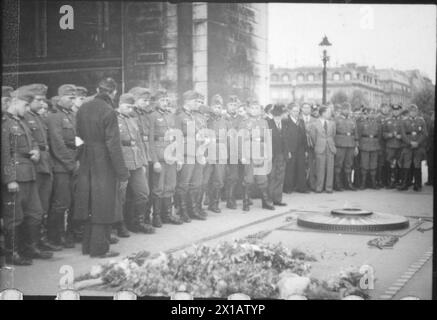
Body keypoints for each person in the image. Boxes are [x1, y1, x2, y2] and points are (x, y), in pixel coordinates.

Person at [73, 78, 129, 258]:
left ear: (97, 90)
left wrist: (80, 156)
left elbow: (77, 137)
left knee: (89, 203)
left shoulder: (83, 108)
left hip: (86, 159)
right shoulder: (108, 111)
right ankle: (99, 248)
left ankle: (87, 246)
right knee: (103, 204)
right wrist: (122, 172)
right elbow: (113, 145)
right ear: (113, 93)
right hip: (103, 162)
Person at [2, 87, 51, 265]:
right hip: (16, 175)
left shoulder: (22, 121)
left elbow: (35, 141)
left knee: (35, 213)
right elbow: (4, 153)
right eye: (24, 104)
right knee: (14, 216)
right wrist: (9, 179)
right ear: (14, 102)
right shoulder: (5, 123)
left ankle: (30, 246)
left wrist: (37, 152)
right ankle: (12, 252)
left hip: (30, 172)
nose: (26, 107)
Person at [22, 84, 62, 252]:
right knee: (33, 207)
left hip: (46, 163)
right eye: (37, 100)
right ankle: (30, 243)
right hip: (34, 166)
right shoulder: (24, 117)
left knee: (43, 205)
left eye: (42, 100)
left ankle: (39, 239)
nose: (41, 103)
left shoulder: (39, 117)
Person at [115, 93, 154, 235]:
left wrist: (143, 162)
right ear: (119, 104)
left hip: (136, 160)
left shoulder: (133, 119)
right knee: (121, 195)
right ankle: (120, 225)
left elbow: (139, 142)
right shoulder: (114, 118)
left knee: (143, 192)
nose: (130, 109)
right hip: (123, 160)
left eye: (132, 106)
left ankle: (138, 222)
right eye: (127, 106)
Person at [46, 84, 78, 249]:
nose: (73, 101)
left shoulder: (72, 115)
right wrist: (71, 164)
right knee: (61, 202)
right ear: (61, 98)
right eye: (70, 98)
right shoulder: (54, 116)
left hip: (74, 162)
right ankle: (54, 236)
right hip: (61, 166)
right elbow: (57, 144)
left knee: (73, 201)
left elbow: (79, 139)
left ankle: (69, 233)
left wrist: (78, 159)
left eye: (74, 98)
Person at [149, 89, 183, 226]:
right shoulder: (152, 116)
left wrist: (179, 157)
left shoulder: (171, 116)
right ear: (156, 102)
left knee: (170, 186)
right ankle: (156, 216)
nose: (165, 102)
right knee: (158, 187)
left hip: (172, 155)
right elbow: (150, 140)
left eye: (166, 100)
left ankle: (167, 214)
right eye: (162, 100)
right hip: (160, 155)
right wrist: (155, 161)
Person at [174, 90, 207, 221]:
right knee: (184, 183)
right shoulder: (179, 116)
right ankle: (182, 211)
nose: (197, 104)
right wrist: (179, 156)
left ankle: (193, 209)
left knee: (196, 183)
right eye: (195, 101)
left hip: (198, 153)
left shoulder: (195, 115)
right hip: (187, 154)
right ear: (188, 101)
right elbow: (177, 137)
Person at [238, 98, 274, 211]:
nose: (254, 110)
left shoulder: (264, 122)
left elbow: (268, 139)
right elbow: (240, 140)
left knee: (262, 179)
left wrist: (269, 155)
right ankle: (245, 201)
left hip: (261, 154)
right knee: (248, 179)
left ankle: (266, 202)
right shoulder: (244, 123)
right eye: (252, 108)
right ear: (248, 110)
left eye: (257, 108)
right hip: (249, 154)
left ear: (260, 110)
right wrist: (242, 156)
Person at [128, 87, 154, 227]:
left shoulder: (146, 114)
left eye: (148, 100)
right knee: (133, 191)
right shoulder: (130, 114)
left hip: (146, 152)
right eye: (144, 100)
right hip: (135, 154)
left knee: (146, 189)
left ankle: (143, 218)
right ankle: (132, 221)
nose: (146, 103)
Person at [202, 94, 228, 213]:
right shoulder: (206, 119)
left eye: (219, 107)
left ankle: (214, 204)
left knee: (219, 180)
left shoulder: (225, 121)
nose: (217, 109)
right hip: (208, 152)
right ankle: (200, 204)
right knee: (205, 179)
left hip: (221, 153)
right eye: (215, 106)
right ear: (211, 107)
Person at [398, 104, 428, 191]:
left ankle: (418, 184)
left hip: (418, 146)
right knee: (406, 164)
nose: (413, 113)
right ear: (409, 112)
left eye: (414, 111)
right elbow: (403, 134)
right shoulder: (404, 121)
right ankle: (405, 183)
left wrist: (417, 143)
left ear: (417, 112)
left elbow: (424, 134)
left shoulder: (421, 121)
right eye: (411, 111)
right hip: (408, 146)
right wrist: (410, 142)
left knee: (417, 164)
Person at [309, 106, 336, 193]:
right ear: (323, 113)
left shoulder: (332, 123)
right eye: (328, 112)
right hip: (320, 147)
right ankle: (319, 187)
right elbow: (313, 137)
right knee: (320, 168)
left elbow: (333, 135)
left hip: (330, 147)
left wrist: (330, 143)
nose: (330, 114)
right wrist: (319, 144)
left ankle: (329, 187)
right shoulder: (314, 124)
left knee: (330, 168)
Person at [283, 103, 309, 193]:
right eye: (294, 111)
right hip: (291, 149)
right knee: (290, 168)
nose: (296, 113)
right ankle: (288, 188)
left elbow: (304, 135)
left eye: (298, 111)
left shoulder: (301, 121)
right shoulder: (285, 121)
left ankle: (302, 187)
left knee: (301, 168)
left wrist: (306, 149)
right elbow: (284, 137)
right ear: (289, 111)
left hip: (301, 148)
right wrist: (287, 150)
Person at [224, 95, 244, 209]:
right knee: (223, 177)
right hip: (224, 151)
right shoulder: (222, 118)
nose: (233, 107)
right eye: (231, 105)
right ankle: (226, 199)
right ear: (226, 106)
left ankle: (232, 198)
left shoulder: (241, 118)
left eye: (235, 105)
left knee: (235, 176)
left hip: (236, 151)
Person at [333, 102, 358, 191]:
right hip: (340, 144)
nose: (347, 111)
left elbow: (356, 134)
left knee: (349, 164)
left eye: (348, 109)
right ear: (341, 110)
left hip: (350, 144)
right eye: (345, 109)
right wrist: (334, 145)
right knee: (338, 164)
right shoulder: (336, 119)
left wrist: (356, 146)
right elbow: (333, 133)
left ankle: (348, 183)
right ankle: (337, 184)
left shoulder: (352, 120)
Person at [267, 104, 287, 206]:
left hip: (281, 155)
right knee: (272, 176)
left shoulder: (284, 124)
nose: (278, 117)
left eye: (280, 115)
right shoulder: (268, 124)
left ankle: (277, 199)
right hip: (271, 155)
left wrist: (287, 153)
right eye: (276, 115)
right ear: (273, 115)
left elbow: (287, 140)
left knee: (280, 177)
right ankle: (269, 199)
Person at [357, 106, 382, 189]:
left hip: (374, 145)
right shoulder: (362, 123)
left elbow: (379, 136)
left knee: (373, 164)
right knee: (364, 164)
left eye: (374, 113)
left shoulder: (378, 124)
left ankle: (373, 183)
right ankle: (363, 183)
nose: (372, 114)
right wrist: (359, 145)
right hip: (365, 145)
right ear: (367, 114)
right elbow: (359, 136)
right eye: (370, 113)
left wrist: (378, 146)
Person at [382, 104, 403, 188]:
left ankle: (398, 181)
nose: (395, 112)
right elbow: (383, 134)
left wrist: (401, 136)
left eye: (397, 110)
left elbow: (406, 133)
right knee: (389, 164)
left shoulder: (403, 121)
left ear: (399, 111)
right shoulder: (387, 121)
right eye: (394, 110)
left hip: (400, 146)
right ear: (392, 111)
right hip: (390, 146)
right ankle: (389, 182)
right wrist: (389, 135)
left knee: (399, 164)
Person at [425, 111, 434, 186]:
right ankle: (430, 180)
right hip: (430, 148)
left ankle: (431, 180)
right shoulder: (429, 124)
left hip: (431, 147)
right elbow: (427, 136)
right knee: (430, 164)